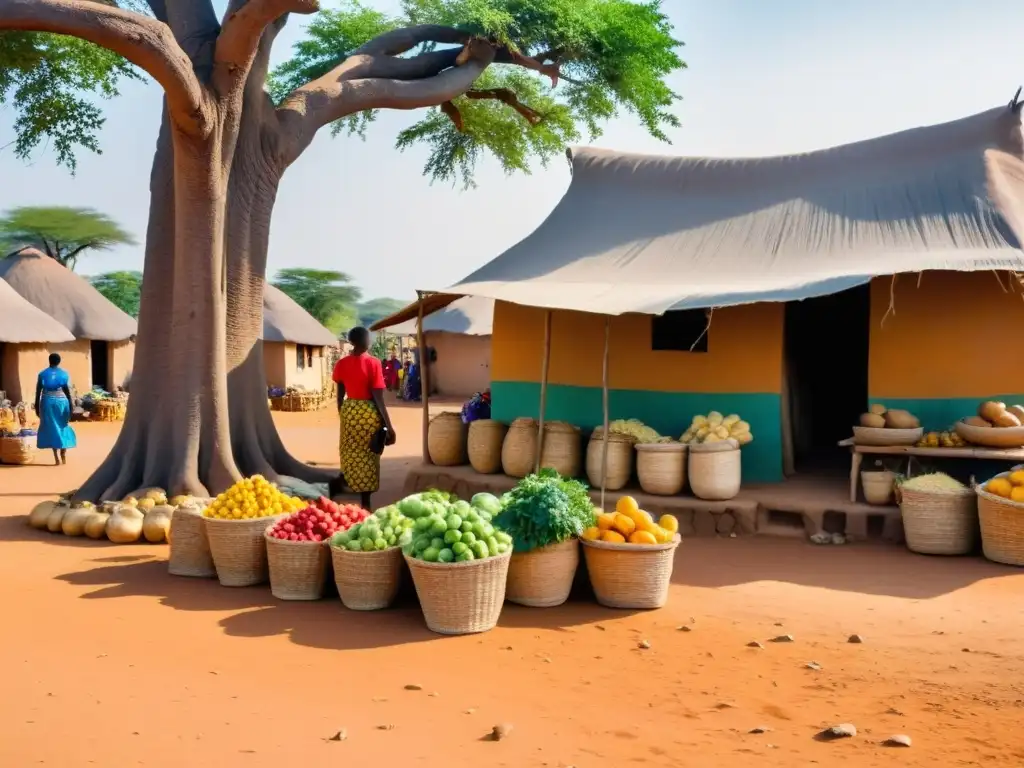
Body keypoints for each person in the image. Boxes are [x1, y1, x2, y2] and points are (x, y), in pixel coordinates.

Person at [331, 327, 397, 509]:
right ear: (365, 341)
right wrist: (389, 427)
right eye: (368, 338)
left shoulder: (341, 364)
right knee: (369, 455)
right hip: (368, 413)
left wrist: (343, 414)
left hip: (350, 411)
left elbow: (340, 395)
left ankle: (347, 485)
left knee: (351, 453)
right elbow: (378, 398)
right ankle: (365, 502)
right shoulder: (373, 363)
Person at [34, 353, 76, 466]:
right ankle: (63, 451)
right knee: (63, 425)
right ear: (59, 361)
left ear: (49, 361)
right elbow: (66, 390)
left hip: (47, 402)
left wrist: (36, 406)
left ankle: (56, 457)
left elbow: (38, 391)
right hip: (62, 402)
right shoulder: (63, 374)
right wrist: (71, 404)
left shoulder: (42, 374)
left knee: (52, 428)